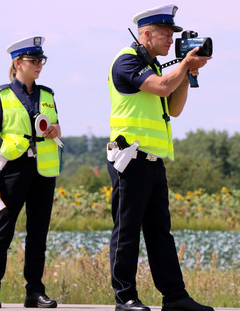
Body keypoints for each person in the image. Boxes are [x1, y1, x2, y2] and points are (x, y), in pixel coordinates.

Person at [106, 4, 213, 311]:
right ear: (147, 34)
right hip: (130, 159)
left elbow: (174, 106)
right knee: (126, 231)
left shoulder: (153, 66)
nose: (171, 40)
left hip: (153, 160)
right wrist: (181, 67)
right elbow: (164, 86)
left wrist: (188, 73)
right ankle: (125, 297)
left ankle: (175, 297)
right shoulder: (125, 61)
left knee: (159, 232)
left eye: (173, 34)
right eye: (166, 34)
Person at [0, 36, 61, 308]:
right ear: (17, 63)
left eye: (41, 60)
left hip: (43, 172)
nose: (39, 65)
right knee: (2, 233)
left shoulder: (48, 94)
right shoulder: (1, 95)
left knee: (38, 235)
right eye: (34, 60)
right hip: (12, 172)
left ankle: (34, 292)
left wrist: (55, 130)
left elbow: (56, 128)